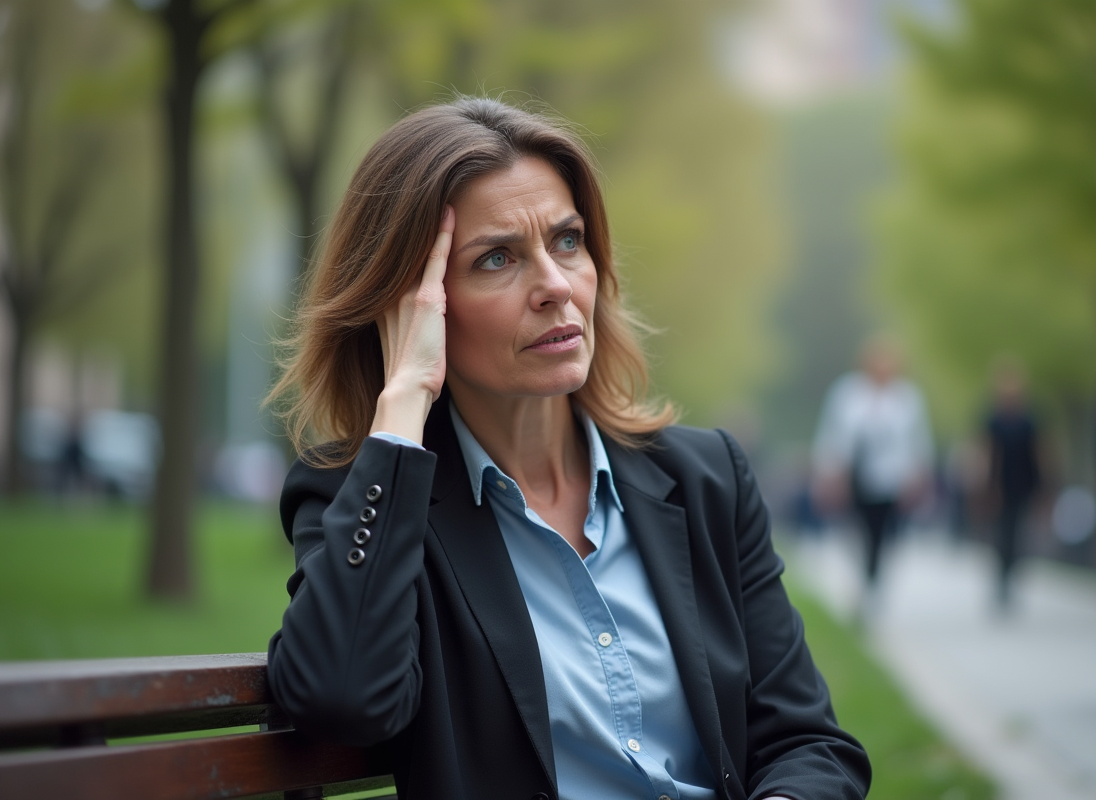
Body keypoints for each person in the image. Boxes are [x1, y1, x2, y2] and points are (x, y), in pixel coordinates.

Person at [265, 97, 870, 800]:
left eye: (568, 240)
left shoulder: (706, 478)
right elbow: (341, 698)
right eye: (496, 258)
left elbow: (809, 744)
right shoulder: (366, 499)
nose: (555, 286)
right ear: (413, 305)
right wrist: (403, 398)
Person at [812, 338, 933, 605]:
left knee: (882, 531)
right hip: (852, 476)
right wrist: (828, 472)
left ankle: (873, 576)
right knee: (855, 529)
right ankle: (863, 574)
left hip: (891, 478)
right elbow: (832, 434)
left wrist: (918, 475)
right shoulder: (846, 393)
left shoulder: (907, 397)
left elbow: (918, 440)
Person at [982, 360, 1041, 610]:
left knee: (1018, 533)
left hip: (1023, 483)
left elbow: (1040, 452)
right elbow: (987, 453)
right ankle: (1001, 578)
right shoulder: (993, 419)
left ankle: (1011, 574)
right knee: (1002, 533)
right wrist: (988, 485)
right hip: (999, 486)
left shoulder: (1029, 419)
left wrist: (1043, 485)